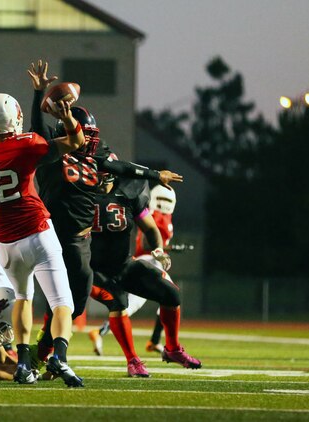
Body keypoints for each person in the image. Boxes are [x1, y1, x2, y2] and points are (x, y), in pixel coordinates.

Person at [27, 60, 183, 363]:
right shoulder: (49, 155)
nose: (92, 138)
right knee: (62, 301)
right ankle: (43, 355)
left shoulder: (94, 158)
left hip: (79, 243)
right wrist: (38, 93)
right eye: (85, 132)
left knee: (74, 304)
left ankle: (41, 353)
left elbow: (121, 166)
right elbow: (38, 129)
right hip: (54, 239)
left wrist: (155, 175)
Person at [0, 90, 85, 387]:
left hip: (6, 243)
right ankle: (59, 356)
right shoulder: (27, 146)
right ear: (15, 120)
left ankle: (23, 363)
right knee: (63, 303)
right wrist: (67, 117)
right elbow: (76, 142)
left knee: (23, 298)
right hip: (36, 232)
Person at [88, 171, 201, 373]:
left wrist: (159, 250)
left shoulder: (129, 194)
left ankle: (172, 349)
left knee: (171, 294)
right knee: (116, 301)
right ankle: (132, 360)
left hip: (124, 263)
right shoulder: (81, 197)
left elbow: (150, 230)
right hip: (91, 268)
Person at [89, 185, 177, 355]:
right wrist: (166, 248)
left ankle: (154, 341)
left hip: (150, 261)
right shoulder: (157, 216)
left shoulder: (160, 215)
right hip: (149, 261)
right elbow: (146, 242)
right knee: (137, 304)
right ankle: (99, 332)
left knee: (168, 298)